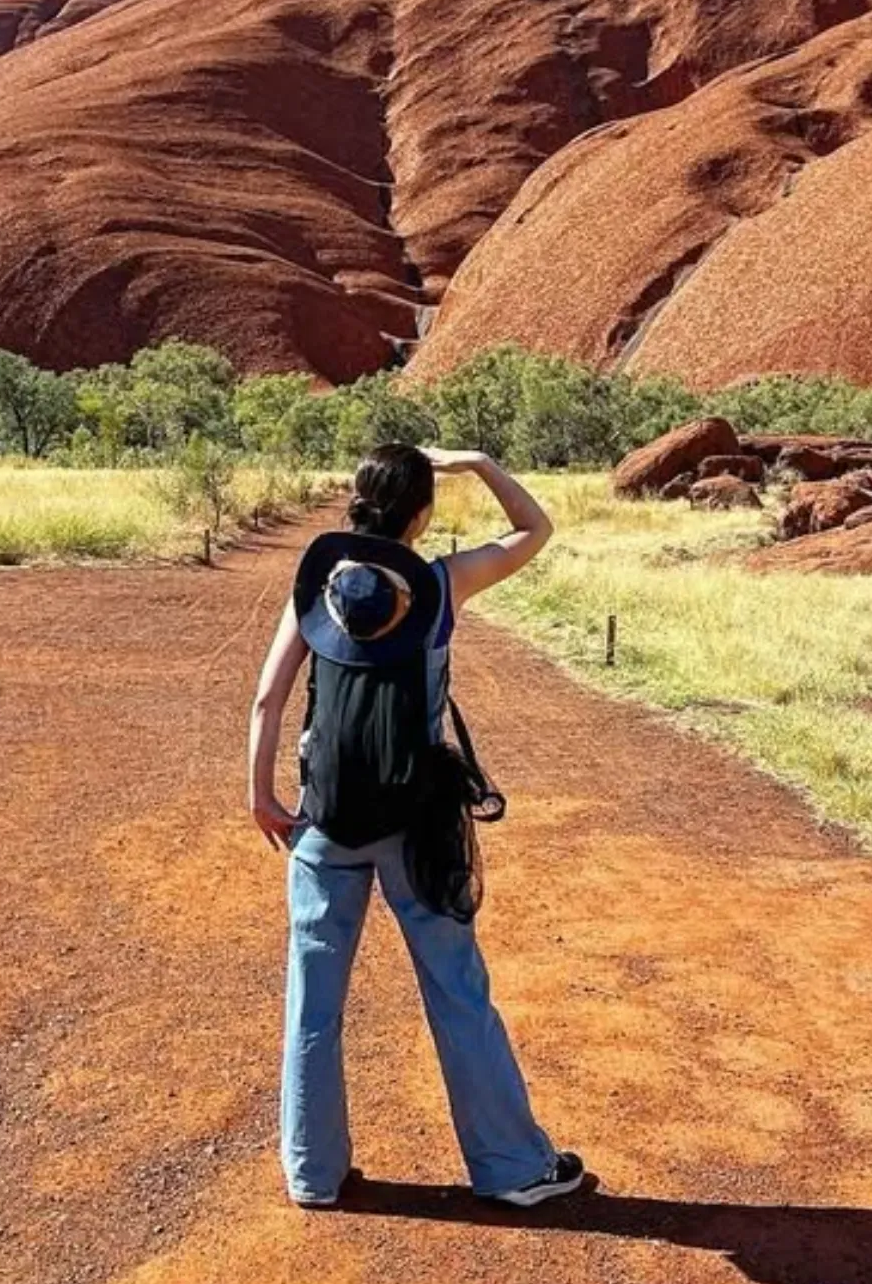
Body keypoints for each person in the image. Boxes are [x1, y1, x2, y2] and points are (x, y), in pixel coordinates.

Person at [246, 442, 587, 1210]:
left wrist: (261, 798)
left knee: (313, 1000)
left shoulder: (316, 589)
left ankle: (313, 1174)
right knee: (455, 990)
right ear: (421, 512)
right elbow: (535, 530)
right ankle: (509, 1168)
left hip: (325, 818)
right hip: (415, 823)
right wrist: (479, 462)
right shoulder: (441, 583)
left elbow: (266, 702)